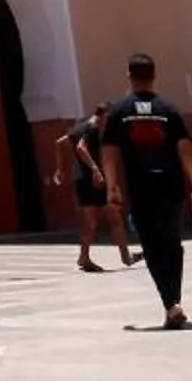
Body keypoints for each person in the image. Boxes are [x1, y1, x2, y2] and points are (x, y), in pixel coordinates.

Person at [101, 53, 192, 330]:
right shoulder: (168, 109)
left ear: (129, 76)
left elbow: (110, 153)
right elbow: (186, 150)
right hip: (172, 187)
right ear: (154, 75)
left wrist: (111, 187)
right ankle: (174, 302)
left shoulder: (119, 111)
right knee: (172, 242)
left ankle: (170, 303)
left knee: (152, 245)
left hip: (141, 189)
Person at [66, 108, 135, 272]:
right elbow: (81, 148)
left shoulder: (79, 128)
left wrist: (61, 169)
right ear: (103, 116)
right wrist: (96, 170)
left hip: (81, 179)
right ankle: (126, 256)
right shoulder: (92, 129)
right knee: (114, 217)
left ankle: (84, 256)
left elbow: (61, 142)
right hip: (94, 180)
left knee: (91, 220)